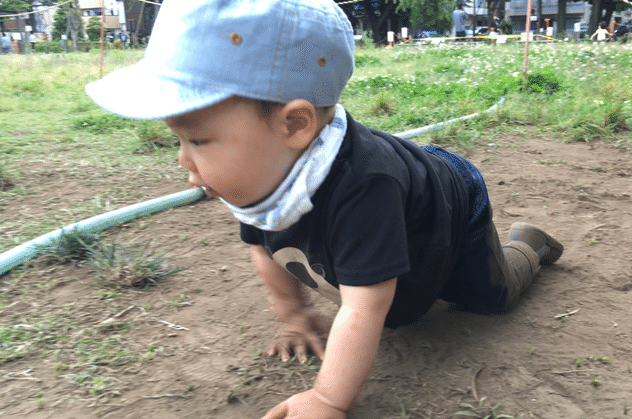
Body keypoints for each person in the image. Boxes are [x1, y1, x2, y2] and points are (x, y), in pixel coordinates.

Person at [85, 1, 564, 418]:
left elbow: (365, 305)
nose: (182, 158)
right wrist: (294, 315)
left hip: (450, 201)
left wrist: (328, 398)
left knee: (486, 297)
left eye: (197, 139)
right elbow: (264, 248)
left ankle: (528, 244)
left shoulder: (366, 189)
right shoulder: (261, 176)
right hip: (402, 184)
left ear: (295, 125)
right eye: (179, 138)